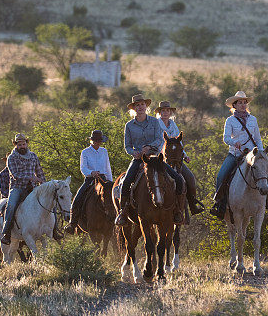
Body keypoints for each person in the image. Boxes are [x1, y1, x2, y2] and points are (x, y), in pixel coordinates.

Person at [211, 90, 268, 220]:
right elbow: (226, 138)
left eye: (244, 102)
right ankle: (219, 205)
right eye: (240, 102)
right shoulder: (230, 121)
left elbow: (258, 139)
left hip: (253, 156)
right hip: (235, 154)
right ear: (234, 105)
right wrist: (234, 142)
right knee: (221, 175)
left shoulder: (253, 119)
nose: (243, 104)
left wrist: (261, 153)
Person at [114, 94, 186, 226]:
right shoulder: (129, 126)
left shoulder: (154, 122)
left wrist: (149, 147)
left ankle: (177, 210)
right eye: (137, 105)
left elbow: (160, 139)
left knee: (178, 179)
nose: (140, 107)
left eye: (142, 104)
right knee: (125, 183)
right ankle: (123, 212)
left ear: (146, 106)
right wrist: (134, 152)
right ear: (134, 108)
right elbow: (127, 146)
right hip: (138, 159)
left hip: (156, 159)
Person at [1, 133, 62, 245]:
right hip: (17, 187)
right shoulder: (12, 157)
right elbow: (15, 174)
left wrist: (43, 183)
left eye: (24, 144)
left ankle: (54, 230)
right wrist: (30, 178)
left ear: (26, 143)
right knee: (11, 205)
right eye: (19, 144)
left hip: (33, 188)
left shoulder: (33, 156)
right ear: (15, 145)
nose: (22, 146)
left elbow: (39, 171)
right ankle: (6, 232)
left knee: (50, 203)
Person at [155, 100, 205, 217]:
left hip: (176, 158)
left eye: (168, 110)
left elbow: (179, 143)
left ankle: (192, 205)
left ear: (170, 112)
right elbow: (156, 141)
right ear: (159, 112)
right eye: (163, 110)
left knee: (190, 178)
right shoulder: (156, 124)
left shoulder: (173, 124)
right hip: (161, 157)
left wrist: (185, 155)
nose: (165, 113)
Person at [66, 130, 114, 233]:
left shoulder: (104, 151)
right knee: (77, 199)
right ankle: (72, 223)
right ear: (91, 141)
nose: (97, 143)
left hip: (103, 179)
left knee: (113, 198)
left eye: (99, 141)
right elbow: (83, 168)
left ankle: (117, 219)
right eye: (95, 140)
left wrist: (110, 182)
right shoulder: (85, 152)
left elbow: (107, 167)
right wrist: (91, 172)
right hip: (90, 179)